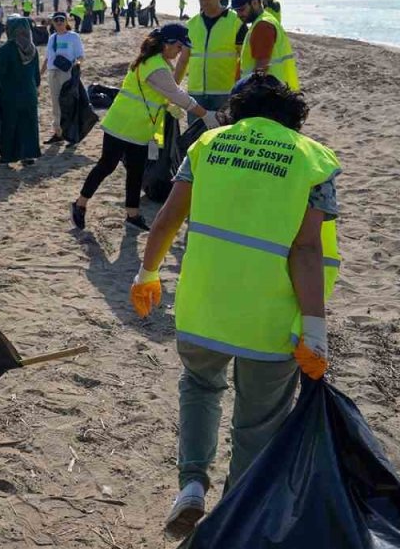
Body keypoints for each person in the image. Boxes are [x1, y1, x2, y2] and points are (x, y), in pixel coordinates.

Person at [130, 74, 339, 541]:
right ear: (293, 121)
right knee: (257, 420)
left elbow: (167, 217)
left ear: (237, 111)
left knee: (200, 387)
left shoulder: (207, 146)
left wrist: (147, 273)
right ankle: (237, 509)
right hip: (267, 318)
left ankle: (191, 486)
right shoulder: (313, 161)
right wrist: (314, 329)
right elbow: (306, 251)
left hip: (204, 306)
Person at [72, 25, 211, 231]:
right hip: (121, 125)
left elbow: (161, 94)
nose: (180, 51)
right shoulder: (154, 65)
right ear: (167, 44)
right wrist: (206, 115)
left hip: (140, 129)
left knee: (136, 171)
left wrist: (168, 106)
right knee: (106, 166)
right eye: (179, 46)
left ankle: (132, 214)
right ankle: (80, 203)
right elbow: (177, 94)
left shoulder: (159, 62)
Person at [174, 0, 242, 124]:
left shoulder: (236, 22)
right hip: (196, 95)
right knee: (195, 140)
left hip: (225, 94)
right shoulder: (191, 25)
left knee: (223, 139)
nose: (204, 2)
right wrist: (173, 88)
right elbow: (183, 60)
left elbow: (245, 59)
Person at [0, 17, 41, 166]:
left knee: (9, 125)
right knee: (29, 124)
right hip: (29, 94)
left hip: (10, 95)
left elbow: (0, 71)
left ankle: (9, 155)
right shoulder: (32, 48)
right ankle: (28, 155)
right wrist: (36, 88)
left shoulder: (7, 49)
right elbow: (36, 75)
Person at [231, 0, 300, 91]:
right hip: (276, 90)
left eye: (241, 10)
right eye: (236, 11)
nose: (238, 15)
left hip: (265, 93)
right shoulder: (266, 20)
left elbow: (261, 69)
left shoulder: (262, 26)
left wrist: (245, 93)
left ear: (255, 3)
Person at [42, 12, 85, 144]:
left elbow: (80, 56)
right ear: (53, 23)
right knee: (56, 105)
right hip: (52, 73)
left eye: (62, 19)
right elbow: (47, 58)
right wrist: (40, 73)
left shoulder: (73, 37)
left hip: (67, 74)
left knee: (69, 104)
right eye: (56, 20)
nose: (59, 22)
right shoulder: (52, 38)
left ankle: (72, 135)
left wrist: (77, 66)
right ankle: (58, 133)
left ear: (66, 21)